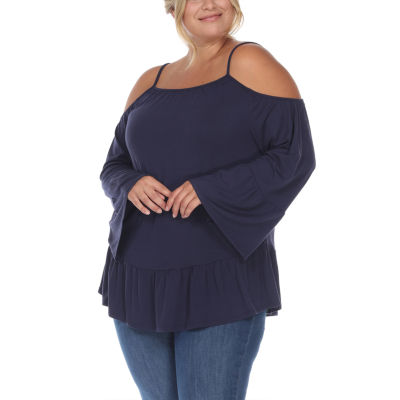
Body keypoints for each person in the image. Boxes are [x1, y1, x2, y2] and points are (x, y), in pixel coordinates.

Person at [98, 0, 316, 398]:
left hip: (219, 280)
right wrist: (131, 182)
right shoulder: (149, 81)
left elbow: (295, 157)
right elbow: (113, 165)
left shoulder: (250, 62)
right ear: (174, 7)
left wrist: (211, 189)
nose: (211, 3)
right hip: (137, 279)